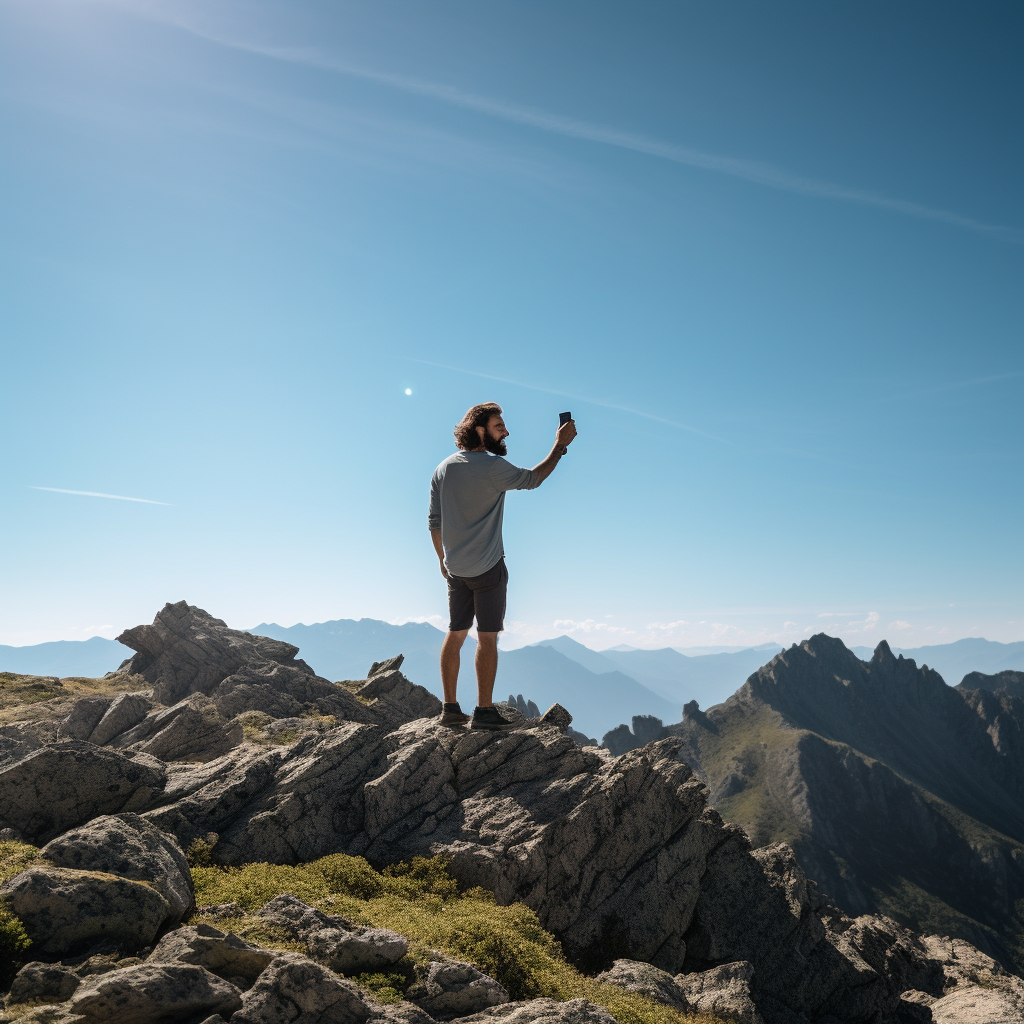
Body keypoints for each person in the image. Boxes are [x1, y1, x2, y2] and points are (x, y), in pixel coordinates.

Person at [428, 402, 577, 729]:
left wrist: (443, 561)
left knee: (455, 633)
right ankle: (483, 712)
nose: (506, 431)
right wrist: (560, 445)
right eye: (499, 426)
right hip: (487, 568)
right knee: (487, 637)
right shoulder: (493, 467)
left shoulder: (443, 469)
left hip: (455, 570)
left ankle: (450, 710)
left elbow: (434, 521)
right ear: (480, 429)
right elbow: (534, 478)